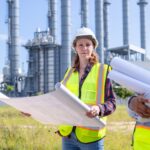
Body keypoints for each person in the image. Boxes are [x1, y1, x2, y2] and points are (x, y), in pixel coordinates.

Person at [57, 27, 116, 150]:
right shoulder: (68, 73)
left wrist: (98, 108)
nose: (84, 48)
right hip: (68, 135)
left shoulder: (103, 70)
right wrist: (32, 109)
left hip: (91, 137)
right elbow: (59, 101)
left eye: (88, 44)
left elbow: (112, 102)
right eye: (80, 45)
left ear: (93, 46)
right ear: (75, 47)